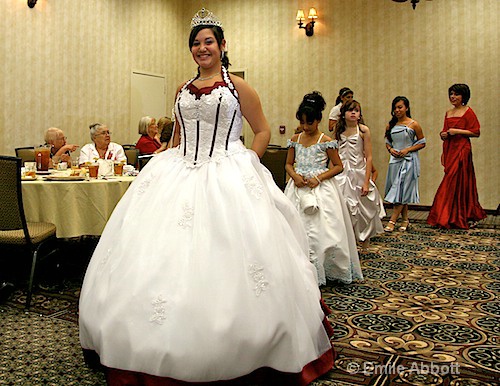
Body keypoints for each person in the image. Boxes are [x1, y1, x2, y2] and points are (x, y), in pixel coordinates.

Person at [79, 8, 334, 386]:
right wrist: (167, 156)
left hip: (228, 170)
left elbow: (261, 129)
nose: (202, 48)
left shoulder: (237, 87)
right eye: (196, 43)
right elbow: (179, 137)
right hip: (179, 169)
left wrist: (248, 161)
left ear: (222, 46)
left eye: (208, 42)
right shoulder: (182, 89)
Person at [284, 91, 362, 285]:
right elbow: (288, 164)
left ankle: (326, 267)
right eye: (302, 123)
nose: (305, 127)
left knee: (325, 229)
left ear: (318, 120)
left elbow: (338, 166)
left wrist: (319, 178)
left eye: (309, 123)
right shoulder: (295, 139)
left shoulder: (326, 141)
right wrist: (294, 176)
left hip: (321, 188)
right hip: (298, 187)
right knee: (295, 225)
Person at [427, 84, 486, 229]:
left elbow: (476, 132)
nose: (453, 97)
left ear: (463, 96)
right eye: (451, 94)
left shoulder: (468, 112)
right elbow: (445, 131)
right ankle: (448, 215)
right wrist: (443, 134)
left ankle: (459, 215)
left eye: (456, 94)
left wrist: (457, 131)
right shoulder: (448, 112)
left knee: (459, 180)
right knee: (451, 179)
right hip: (451, 149)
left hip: (462, 149)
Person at [334, 100, 384, 249]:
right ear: (343, 114)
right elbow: (335, 155)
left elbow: (368, 157)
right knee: (345, 206)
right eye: (350, 110)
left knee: (363, 206)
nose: (353, 113)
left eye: (356, 110)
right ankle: (348, 240)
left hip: (359, 173)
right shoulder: (339, 131)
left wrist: (367, 181)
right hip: (342, 175)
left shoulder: (363, 130)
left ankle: (364, 239)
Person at [384, 96, 426, 232]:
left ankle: (392, 220)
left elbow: (422, 142)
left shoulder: (414, 124)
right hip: (395, 161)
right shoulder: (391, 125)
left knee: (400, 190)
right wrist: (391, 150)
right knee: (401, 191)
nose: (397, 110)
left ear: (406, 108)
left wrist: (407, 149)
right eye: (395, 108)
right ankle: (405, 220)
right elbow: (387, 142)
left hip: (408, 161)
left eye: (400, 107)